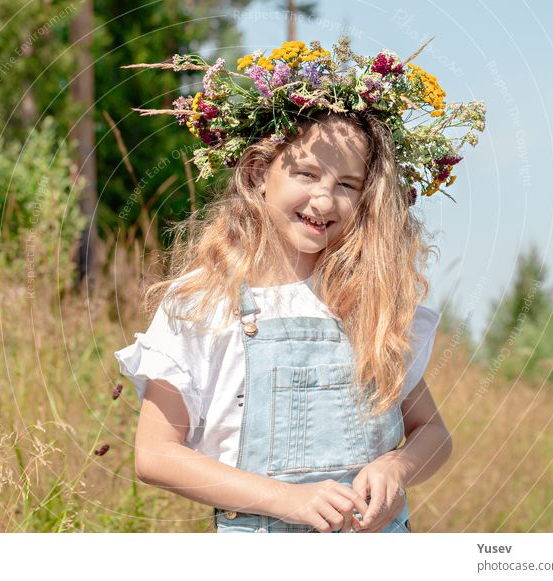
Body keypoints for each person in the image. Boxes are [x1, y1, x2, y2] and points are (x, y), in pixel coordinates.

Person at [115, 37, 485, 533]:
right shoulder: (204, 303)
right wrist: (284, 500)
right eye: (306, 173)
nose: (325, 200)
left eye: (348, 185)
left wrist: (397, 467)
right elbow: (156, 454)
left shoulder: (369, 304)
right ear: (258, 173)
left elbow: (432, 433)